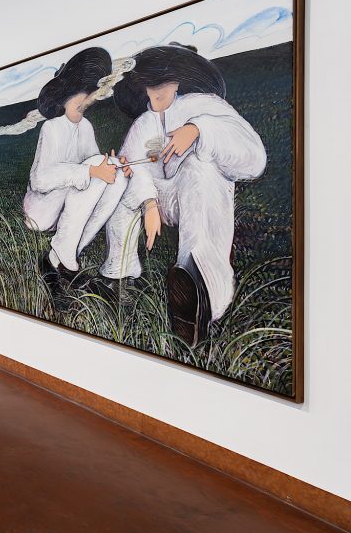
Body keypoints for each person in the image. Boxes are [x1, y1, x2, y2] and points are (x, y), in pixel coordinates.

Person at [103, 44, 267, 345]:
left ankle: (197, 285)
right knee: (120, 177)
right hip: (159, 197)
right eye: (150, 83)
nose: (157, 91)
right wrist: (149, 203)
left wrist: (199, 130)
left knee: (198, 170)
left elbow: (254, 159)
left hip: (196, 192)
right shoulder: (143, 123)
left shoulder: (204, 105)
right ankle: (120, 276)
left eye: (164, 81)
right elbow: (135, 165)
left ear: (178, 81)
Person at [20, 47, 129, 286]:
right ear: (65, 97)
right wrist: (91, 170)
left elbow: (93, 163)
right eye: (79, 104)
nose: (83, 108)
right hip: (42, 209)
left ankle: (58, 258)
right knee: (95, 169)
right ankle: (66, 261)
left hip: (69, 204)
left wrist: (111, 164)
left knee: (117, 175)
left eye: (86, 105)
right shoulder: (52, 127)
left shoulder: (85, 127)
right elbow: (40, 180)